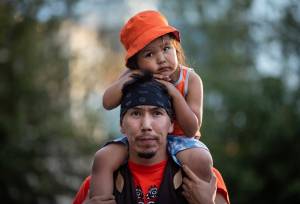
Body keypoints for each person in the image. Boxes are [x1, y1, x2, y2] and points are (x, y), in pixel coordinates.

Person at [90, 10, 214, 200]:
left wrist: (173, 93)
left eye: (166, 49)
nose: (161, 58)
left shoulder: (190, 79)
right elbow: (107, 102)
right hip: (141, 140)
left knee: (202, 158)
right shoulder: (135, 74)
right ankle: (102, 199)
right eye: (149, 54)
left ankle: (199, 197)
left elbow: (192, 128)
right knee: (103, 158)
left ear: (176, 47)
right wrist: (132, 77)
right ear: (136, 62)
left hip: (182, 141)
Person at [73, 74, 230, 204]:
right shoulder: (99, 181)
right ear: (122, 124)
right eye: (136, 113)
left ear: (171, 124)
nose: (146, 125)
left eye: (157, 113)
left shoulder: (202, 177)